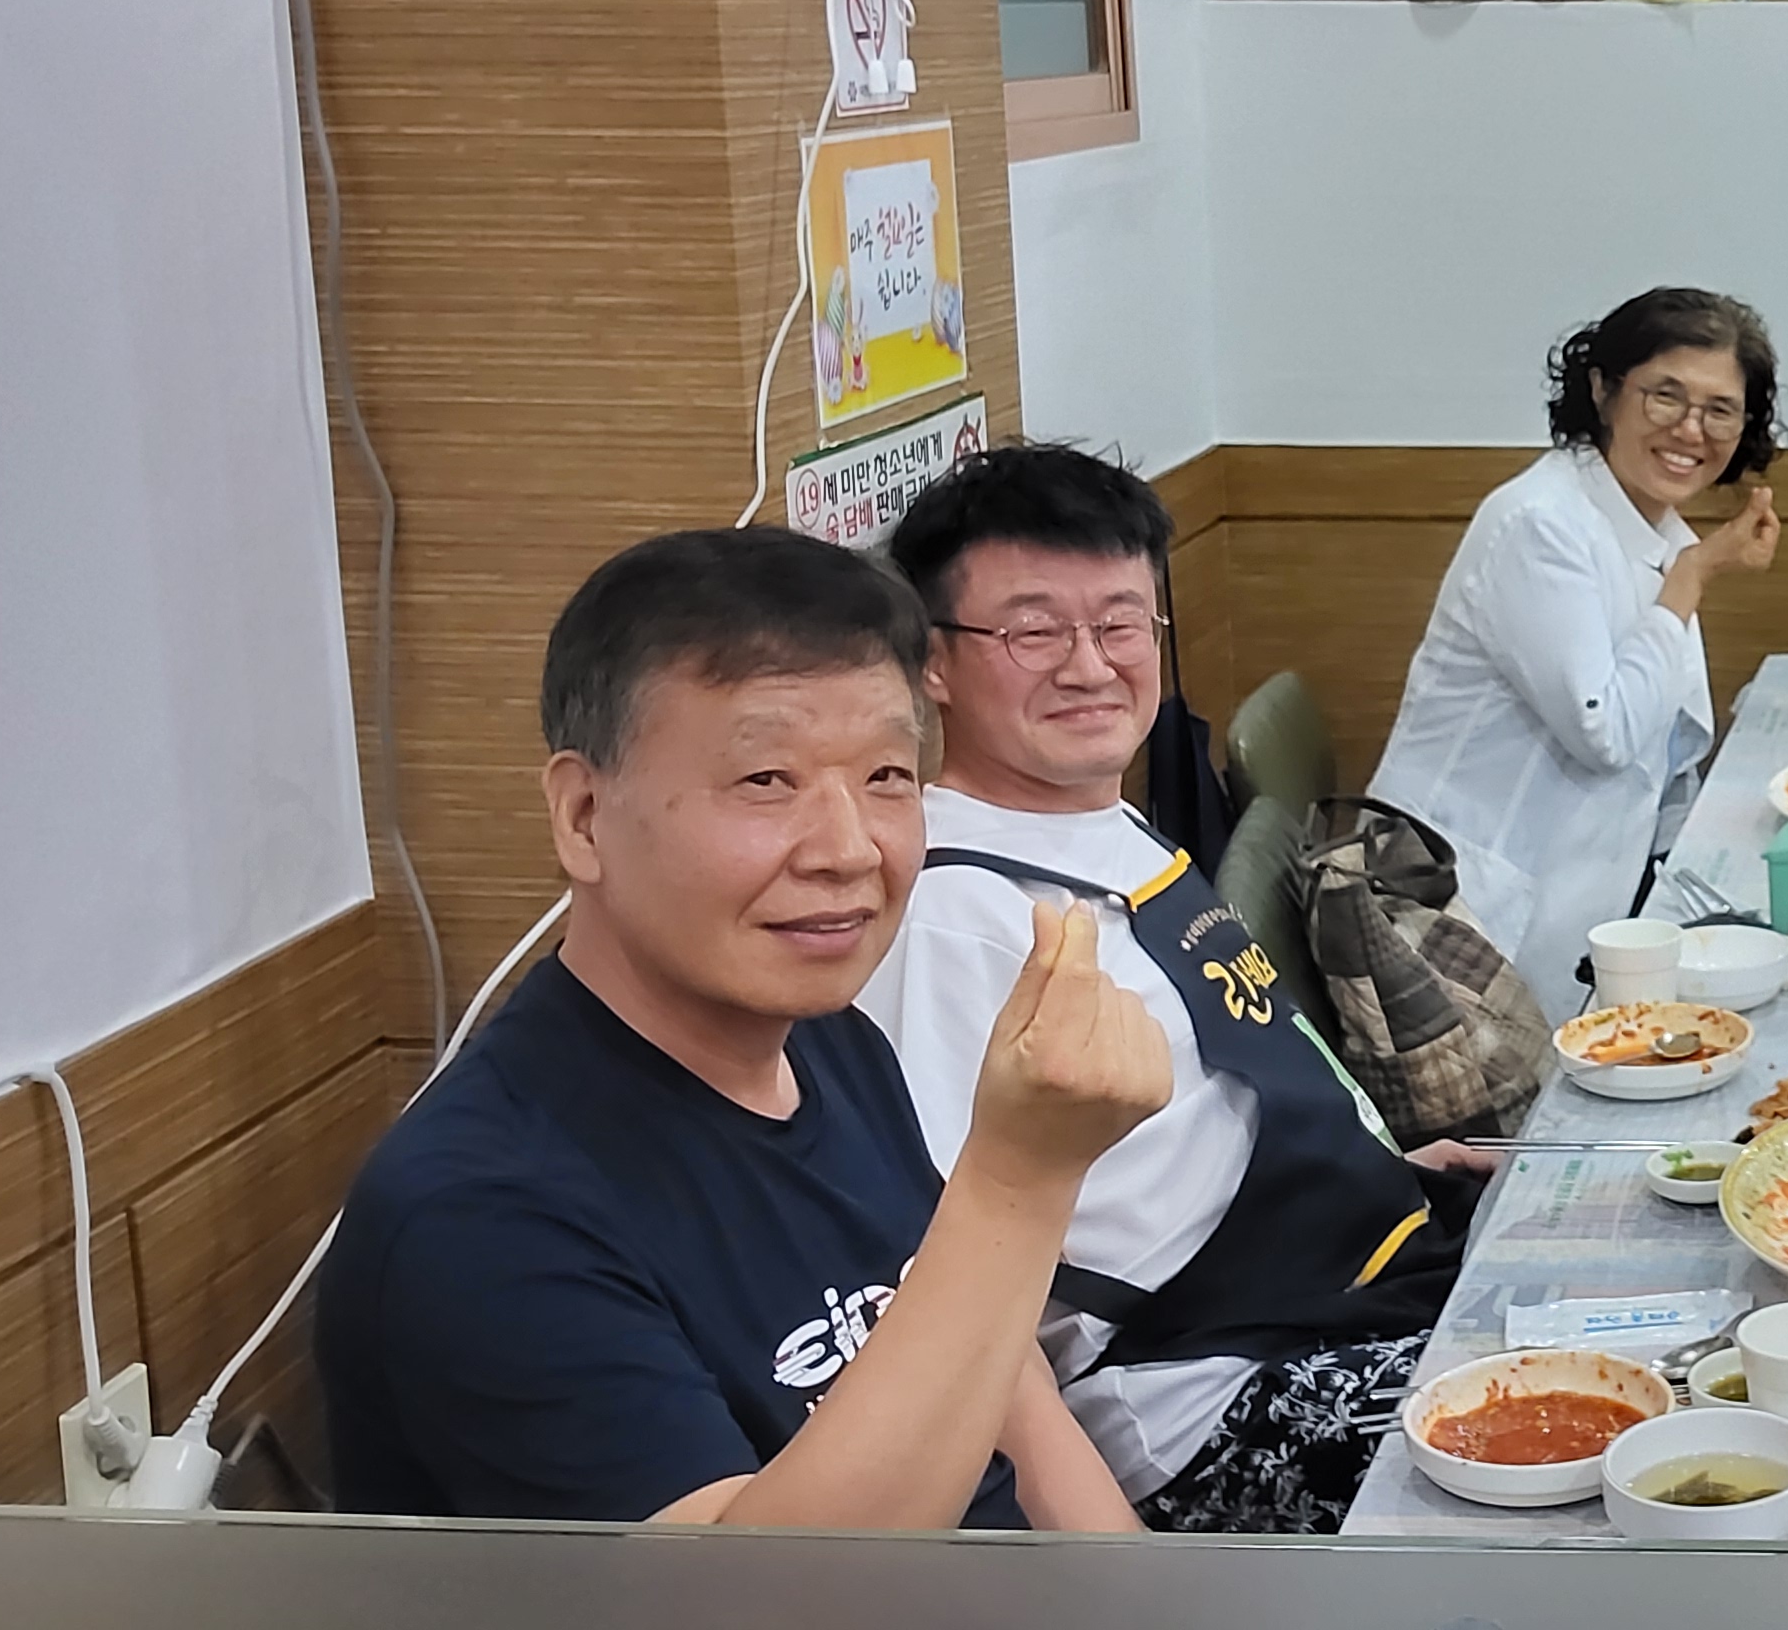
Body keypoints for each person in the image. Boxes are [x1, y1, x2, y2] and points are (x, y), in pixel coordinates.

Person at [317, 529, 1168, 1528]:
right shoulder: (478, 1213)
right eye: (768, 781)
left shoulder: (831, 1042)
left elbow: (1005, 1378)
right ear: (584, 816)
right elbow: (760, 1594)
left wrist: (1134, 1591)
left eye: (887, 777)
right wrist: (1019, 1180)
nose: (849, 849)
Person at [855, 444, 1497, 1532]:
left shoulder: (1101, 824)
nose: (1090, 666)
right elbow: (943, 1277)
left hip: (1350, 1269)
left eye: (1120, 625)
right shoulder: (954, 919)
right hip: (1213, 1395)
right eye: (1032, 632)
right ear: (934, 661)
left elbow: (1213, 1099)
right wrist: (1115, 1567)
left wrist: (1379, 1165)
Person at [1374, 287, 1785, 1006]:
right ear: (1603, 390)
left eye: (1720, 409)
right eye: (1665, 396)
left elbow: (1670, 746)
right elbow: (1605, 731)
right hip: (1460, 916)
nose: (1691, 429)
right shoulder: (1541, 522)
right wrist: (1692, 578)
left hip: (1582, 902)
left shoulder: (1657, 528)